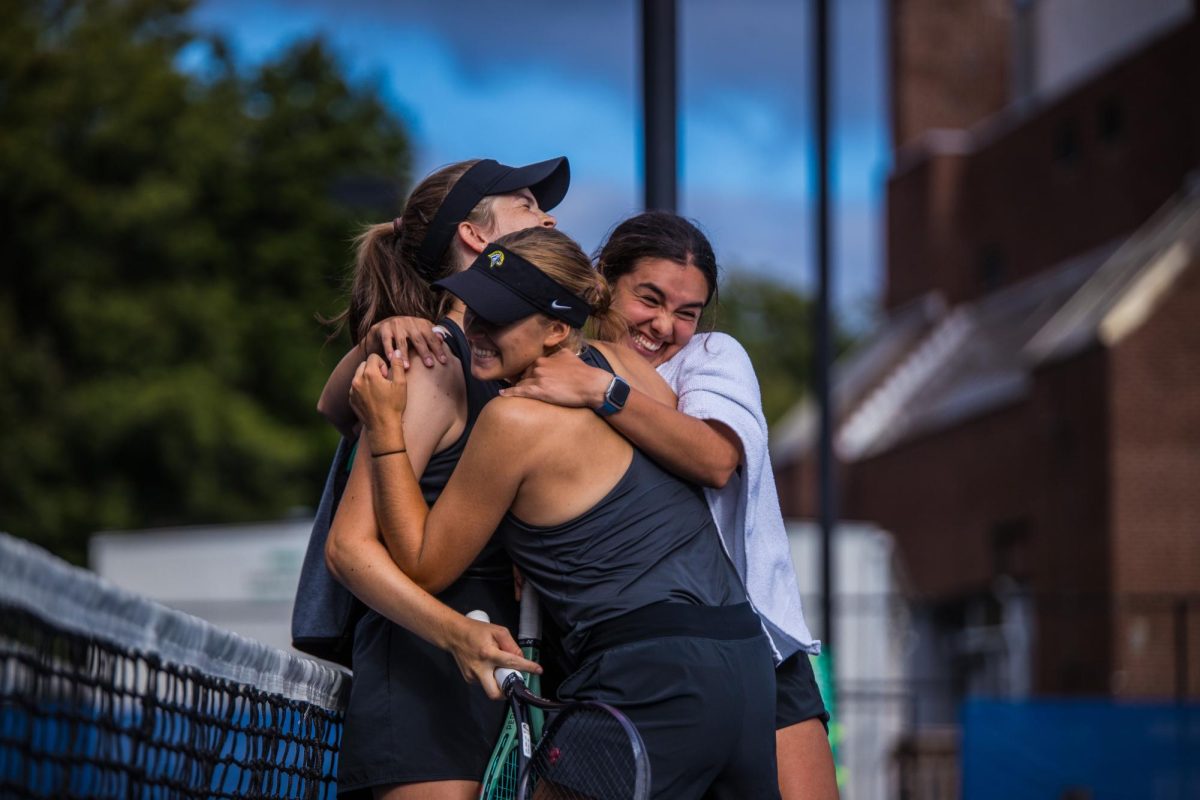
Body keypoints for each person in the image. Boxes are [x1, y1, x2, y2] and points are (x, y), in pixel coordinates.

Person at [347, 226, 782, 800]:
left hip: (648, 673)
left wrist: (383, 428)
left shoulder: (513, 421)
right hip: (744, 667)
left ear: (557, 329)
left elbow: (424, 566)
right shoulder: (629, 369)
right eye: (473, 310)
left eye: (498, 319)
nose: (473, 330)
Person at [497, 211, 840, 800]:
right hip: (620, 657)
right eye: (649, 299)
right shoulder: (549, 367)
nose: (664, 325)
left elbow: (713, 458)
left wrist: (601, 391)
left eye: (687, 312)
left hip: (755, 644)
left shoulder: (710, 357)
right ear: (603, 279)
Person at [310, 156, 577, 800]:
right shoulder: (430, 360)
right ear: (475, 237)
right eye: (523, 203)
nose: (548, 216)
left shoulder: (514, 368)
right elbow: (348, 549)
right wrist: (459, 636)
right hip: (430, 678)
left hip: (495, 667)